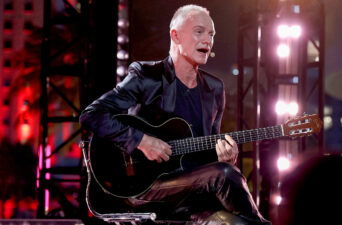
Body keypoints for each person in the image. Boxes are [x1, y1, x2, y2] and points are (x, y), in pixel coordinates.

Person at [80, 4, 271, 225]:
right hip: (145, 189)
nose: (207, 40)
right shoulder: (146, 76)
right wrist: (141, 140)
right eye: (199, 31)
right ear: (176, 35)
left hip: (192, 197)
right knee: (225, 174)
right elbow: (92, 115)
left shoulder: (214, 88)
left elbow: (209, 150)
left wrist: (225, 158)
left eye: (211, 34)